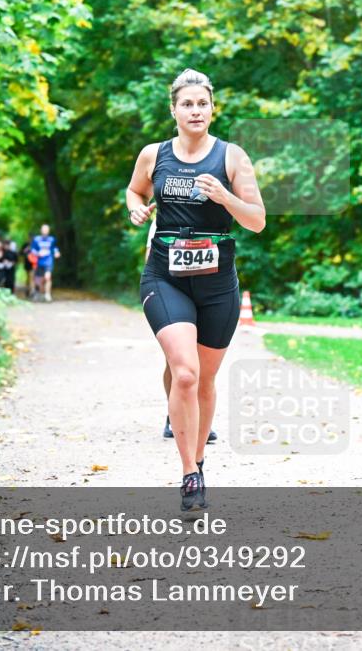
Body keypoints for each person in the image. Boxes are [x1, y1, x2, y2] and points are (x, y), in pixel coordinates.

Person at [127, 68, 265, 511]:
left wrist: (225, 197)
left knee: (204, 379)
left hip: (218, 284)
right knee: (184, 372)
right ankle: (189, 474)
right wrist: (136, 210)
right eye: (186, 104)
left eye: (202, 103)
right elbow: (134, 191)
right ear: (174, 110)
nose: (195, 110)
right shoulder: (154, 155)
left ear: (212, 109)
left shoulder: (231, 157)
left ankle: (200, 459)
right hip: (164, 275)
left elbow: (257, 220)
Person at [145, 214, 218, 444]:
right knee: (177, 364)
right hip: (173, 292)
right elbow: (150, 257)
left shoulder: (209, 212)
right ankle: (173, 413)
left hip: (207, 291)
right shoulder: (164, 216)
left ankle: (199, 416)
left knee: (203, 364)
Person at [31, 224, 61, 302]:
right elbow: (32, 250)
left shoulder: (52, 239)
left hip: (48, 261)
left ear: (48, 231)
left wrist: (56, 252)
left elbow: (54, 248)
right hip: (39, 262)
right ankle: (37, 293)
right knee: (38, 280)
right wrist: (37, 254)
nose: (45, 231)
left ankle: (47, 294)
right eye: (44, 230)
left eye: (46, 230)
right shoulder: (36, 239)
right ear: (41, 230)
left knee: (48, 277)